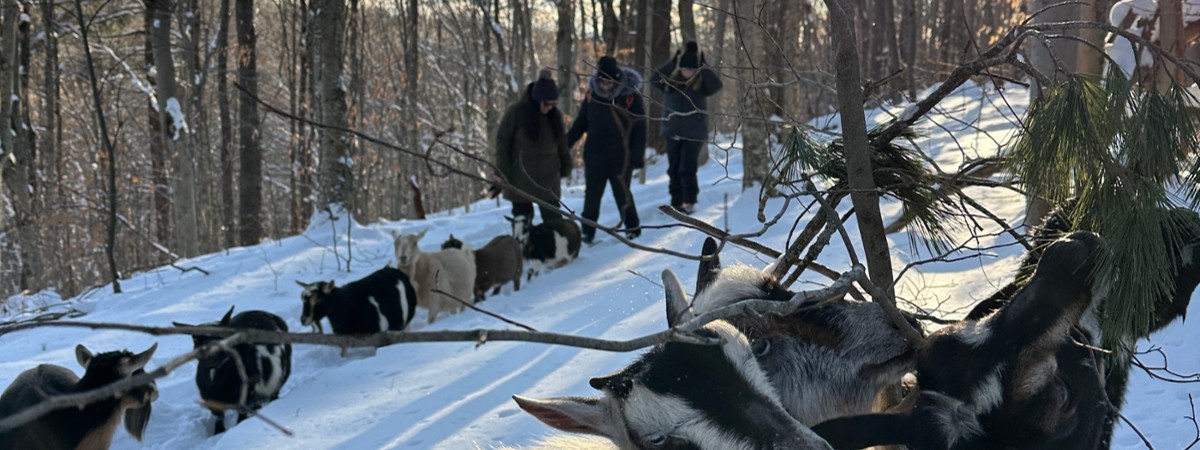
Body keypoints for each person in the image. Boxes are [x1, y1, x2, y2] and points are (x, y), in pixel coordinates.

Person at [567, 56, 645, 244]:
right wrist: (565, 144)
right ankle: (587, 233)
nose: (606, 85)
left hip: (621, 158)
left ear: (617, 79)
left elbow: (640, 129)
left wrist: (637, 156)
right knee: (592, 198)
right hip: (595, 157)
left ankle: (633, 229)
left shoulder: (630, 97)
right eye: (602, 81)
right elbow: (581, 124)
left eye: (609, 81)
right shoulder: (592, 96)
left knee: (623, 195)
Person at [495, 68, 572, 240]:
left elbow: (562, 144)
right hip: (520, 176)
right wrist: (502, 172)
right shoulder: (516, 113)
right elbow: (502, 142)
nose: (550, 108)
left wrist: (566, 165)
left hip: (548, 177)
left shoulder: (555, 116)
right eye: (546, 104)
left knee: (554, 222)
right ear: (536, 100)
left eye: (553, 104)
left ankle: (556, 253)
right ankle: (521, 253)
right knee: (522, 222)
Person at [650, 41, 723, 215]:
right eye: (684, 69)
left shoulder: (702, 86)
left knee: (687, 168)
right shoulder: (671, 84)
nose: (687, 72)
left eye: (691, 69)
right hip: (672, 132)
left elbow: (717, 85)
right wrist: (673, 63)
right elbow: (654, 79)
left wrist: (704, 67)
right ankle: (676, 202)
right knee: (673, 168)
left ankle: (689, 201)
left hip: (694, 133)